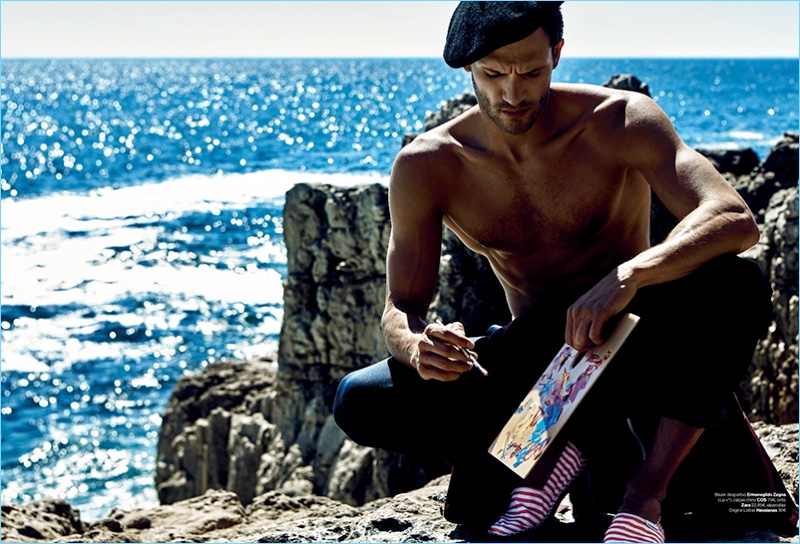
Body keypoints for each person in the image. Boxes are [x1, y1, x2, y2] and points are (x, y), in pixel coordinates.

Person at [333, 2, 793, 542]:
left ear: (556, 54)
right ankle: (562, 445)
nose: (512, 93)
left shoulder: (620, 119)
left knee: (736, 285)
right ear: (467, 69)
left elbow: (733, 217)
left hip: (636, 344)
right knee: (359, 399)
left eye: (530, 71)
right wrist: (418, 348)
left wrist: (629, 277)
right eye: (493, 74)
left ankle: (640, 490)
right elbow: (401, 305)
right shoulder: (429, 164)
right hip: (540, 364)